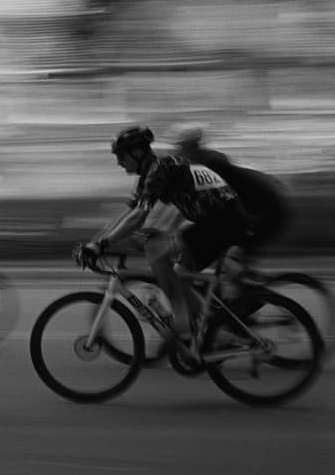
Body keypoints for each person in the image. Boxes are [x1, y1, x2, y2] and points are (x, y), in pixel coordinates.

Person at [80, 126, 250, 358]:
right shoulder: (149, 173)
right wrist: (95, 242)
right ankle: (215, 331)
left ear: (138, 152)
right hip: (213, 221)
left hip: (222, 220)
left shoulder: (160, 169)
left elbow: (138, 218)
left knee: (157, 250)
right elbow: (127, 213)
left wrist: (102, 245)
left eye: (121, 156)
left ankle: (185, 328)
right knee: (177, 274)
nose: (119, 163)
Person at [171, 123, 290, 270]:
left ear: (190, 146)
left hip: (267, 211)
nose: (178, 151)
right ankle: (236, 282)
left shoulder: (207, 164)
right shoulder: (205, 160)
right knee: (217, 248)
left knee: (232, 255)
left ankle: (248, 289)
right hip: (260, 205)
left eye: (181, 147)